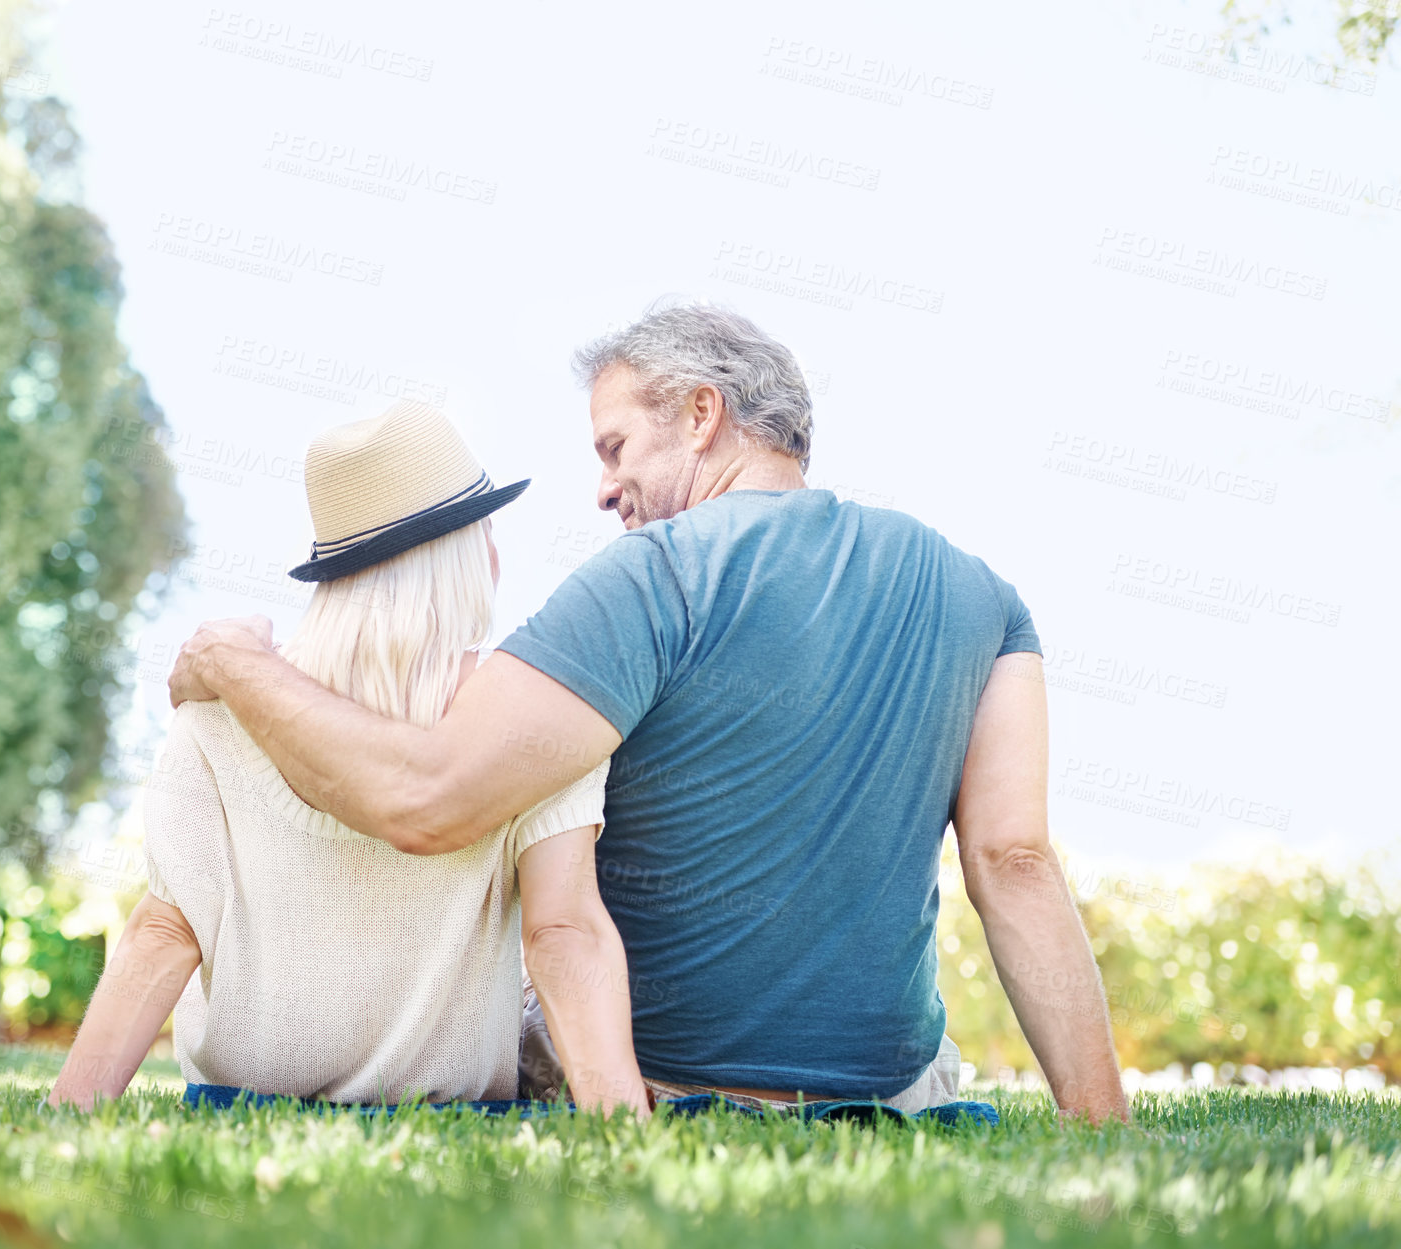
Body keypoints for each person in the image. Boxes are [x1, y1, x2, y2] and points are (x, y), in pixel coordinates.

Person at [168, 299, 1131, 1124]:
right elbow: (1014, 863)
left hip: (664, 1082)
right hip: (891, 1090)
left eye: (616, 445)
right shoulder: (984, 596)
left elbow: (428, 797)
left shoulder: (656, 575)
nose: (602, 488)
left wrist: (233, 661)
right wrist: (1102, 1125)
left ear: (703, 414)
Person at [50, 403, 648, 1117]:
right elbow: (562, 930)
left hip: (239, 1107)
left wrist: (70, 1112)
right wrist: (623, 1129)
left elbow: (164, 931)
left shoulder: (213, 715)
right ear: (470, 556)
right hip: (457, 1119)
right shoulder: (529, 723)